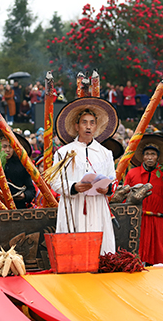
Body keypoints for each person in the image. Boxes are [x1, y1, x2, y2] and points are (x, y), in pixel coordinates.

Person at [52, 97, 119, 254]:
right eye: (84, 122)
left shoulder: (105, 153)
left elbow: (114, 180)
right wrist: (73, 187)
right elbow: (55, 181)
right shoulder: (63, 153)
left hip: (98, 205)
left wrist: (107, 188)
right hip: (73, 205)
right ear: (77, 126)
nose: (88, 126)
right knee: (73, 249)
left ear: (96, 126)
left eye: (92, 123)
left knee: (99, 249)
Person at [124, 135, 163, 264]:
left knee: (160, 258)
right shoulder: (132, 173)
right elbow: (126, 195)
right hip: (138, 220)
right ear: (142, 156)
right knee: (136, 255)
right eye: (147, 154)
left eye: (153, 154)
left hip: (159, 220)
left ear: (158, 157)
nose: (149, 157)